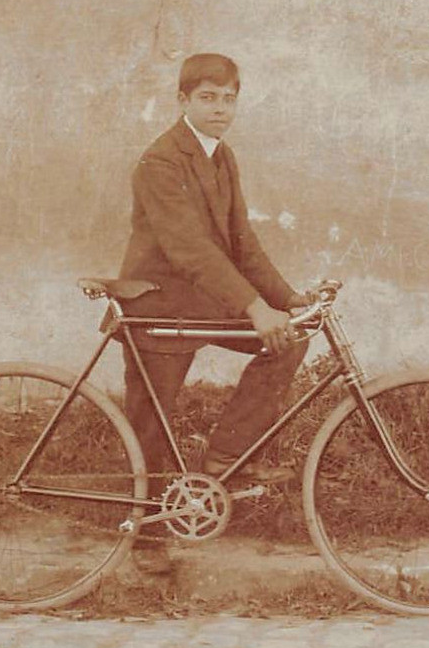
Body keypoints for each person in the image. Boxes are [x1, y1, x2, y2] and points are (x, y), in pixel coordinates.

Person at [116, 53, 313, 569]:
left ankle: (225, 460)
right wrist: (252, 305)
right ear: (183, 101)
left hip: (200, 299)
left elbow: (241, 242)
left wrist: (287, 300)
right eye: (208, 98)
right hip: (156, 302)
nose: (220, 109)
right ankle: (144, 534)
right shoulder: (160, 162)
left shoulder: (222, 156)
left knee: (290, 337)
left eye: (229, 99)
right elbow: (190, 249)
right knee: (150, 423)